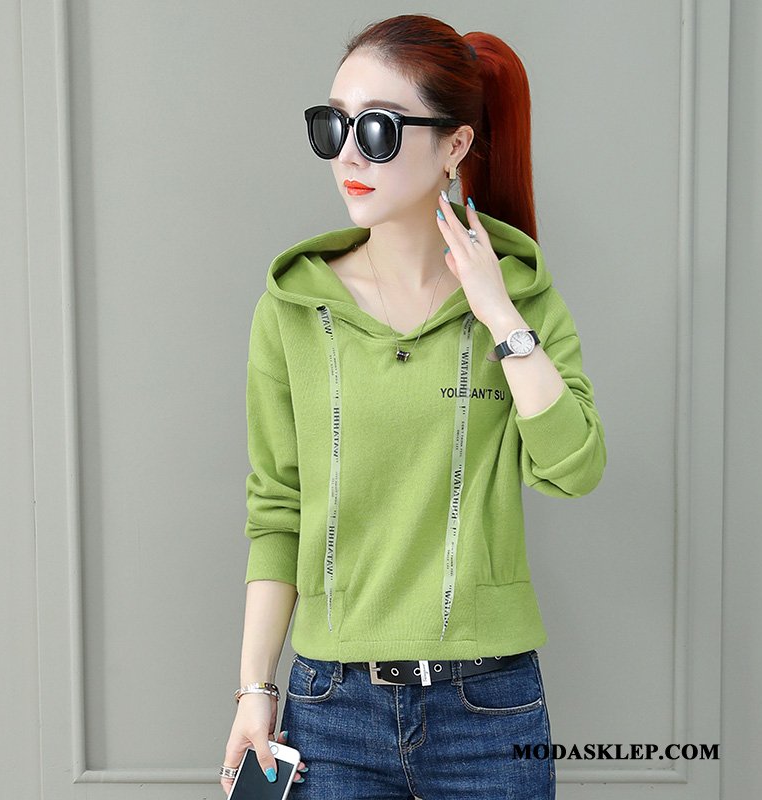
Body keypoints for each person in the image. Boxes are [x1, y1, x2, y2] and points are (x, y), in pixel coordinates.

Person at [221, 13, 606, 800]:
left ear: (455, 145)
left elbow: (574, 469)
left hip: (489, 712)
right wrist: (254, 689)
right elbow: (278, 511)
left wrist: (499, 316)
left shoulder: (522, 299)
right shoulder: (294, 309)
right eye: (333, 126)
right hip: (331, 710)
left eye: (379, 130)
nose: (348, 155)